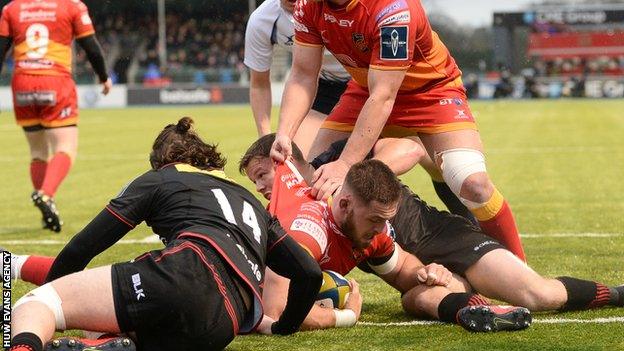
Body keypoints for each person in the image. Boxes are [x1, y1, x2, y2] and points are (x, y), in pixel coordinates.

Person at [240, 135, 624, 331]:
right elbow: (277, 311)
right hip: (408, 247)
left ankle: (618, 293)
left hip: (440, 234)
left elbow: (410, 148)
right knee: (417, 298)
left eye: (264, 175)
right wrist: (428, 275)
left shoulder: (351, 192)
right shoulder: (315, 220)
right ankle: (477, 311)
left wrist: (359, 169)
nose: (262, 187)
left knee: (538, 293)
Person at [8, 118, 322, 351]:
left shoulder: (161, 178)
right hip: (222, 325)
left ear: (164, 161)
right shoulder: (252, 201)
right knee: (107, 318)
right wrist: (284, 328)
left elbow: (81, 249)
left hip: (185, 271)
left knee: (37, 305)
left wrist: (56, 293)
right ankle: (101, 345)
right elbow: (308, 273)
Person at [269, 0, 526, 261]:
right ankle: (307, 274)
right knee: (313, 178)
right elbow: (302, 74)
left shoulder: (393, 9)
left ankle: (520, 270)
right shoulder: (306, 6)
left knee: (474, 185)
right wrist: (284, 134)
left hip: (430, 92)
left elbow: (384, 96)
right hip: (367, 89)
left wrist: (345, 163)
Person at [0, 0, 112, 233]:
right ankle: (45, 195)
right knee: (65, 147)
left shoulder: (12, 8)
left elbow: (1, 49)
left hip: (22, 82)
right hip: (55, 80)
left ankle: (46, 209)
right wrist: (103, 77)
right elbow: (90, 46)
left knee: (38, 152)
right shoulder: (72, 6)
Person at [244, 0, 350, 158]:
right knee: (297, 161)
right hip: (323, 86)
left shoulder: (342, 6)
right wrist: (265, 141)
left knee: (369, 160)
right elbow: (259, 85)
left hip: (367, 79)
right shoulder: (262, 20)